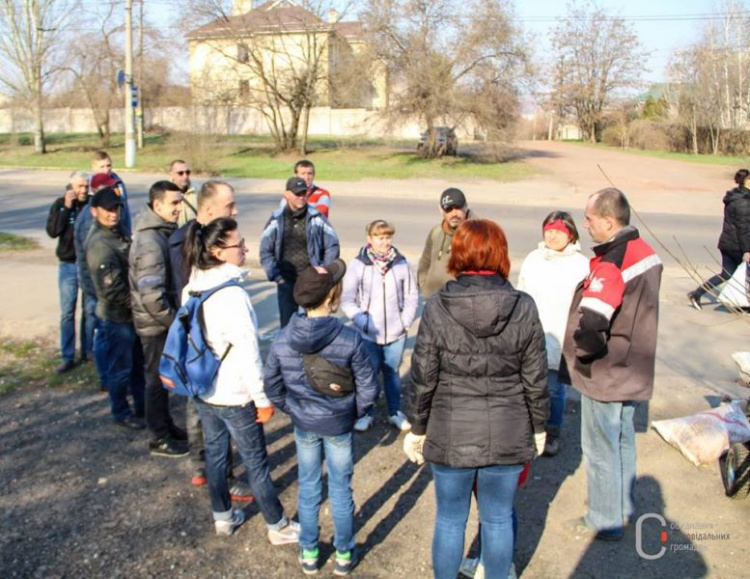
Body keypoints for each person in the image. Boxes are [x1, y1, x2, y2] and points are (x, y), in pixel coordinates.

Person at [404, 219, 549, 579]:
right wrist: (540, 425)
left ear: (459, 254)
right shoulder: (523, 307)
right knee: (498, 519)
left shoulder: (438, 306)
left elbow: (423, 376)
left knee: (450, 520)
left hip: (451, 432)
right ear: (501, 254)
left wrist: (417, 427)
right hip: (508, 429)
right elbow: (535, 377)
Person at [181, 217, 300, 544]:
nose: (246, 248)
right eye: (239, 244)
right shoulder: (232, 295)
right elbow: (248, 353)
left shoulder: (191, 285)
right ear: (219, 251)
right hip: (235, 394)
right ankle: (277, 526)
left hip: (204, 389)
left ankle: (223, 516)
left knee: (216, 456)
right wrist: (262, 399)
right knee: (256, 464)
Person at [264, 260, 378, 576]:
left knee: (310, 486)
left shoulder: (283, 337)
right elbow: (369, 387)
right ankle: (343, 554)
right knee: (341, 488)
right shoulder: (349, 338)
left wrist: (295, 409)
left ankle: (310, 551)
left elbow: (272, 387)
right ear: (331, 299)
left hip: (305, 424)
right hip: (339, 425)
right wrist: (352, 413)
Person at [562, 188, 662, 541]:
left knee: (599, 447)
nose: (585, 224)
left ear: (608, 220)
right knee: (622, 441)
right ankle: (622, 508)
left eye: (589, 218)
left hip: (607, 372)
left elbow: (592, 324)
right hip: (634, 365)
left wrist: (583, 357)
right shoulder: (645, 252)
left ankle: (603, 519)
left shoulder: (612, 263)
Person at [168, 180, 252, 499]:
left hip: (215, 342)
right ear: (207, 210)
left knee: (210, 409)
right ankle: (212, 471)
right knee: (204, 408)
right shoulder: (184, 242)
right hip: (201, 345)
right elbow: (183, 294)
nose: (236, 210)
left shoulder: (217, 238)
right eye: (229, 205)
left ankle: (209, 468)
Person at [517, 211, 589, 456]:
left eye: (558, 231)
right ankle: (530, 430)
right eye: (549, 230)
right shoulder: (534, 258)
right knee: (529, 387)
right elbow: (521, 292)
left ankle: (552, 431)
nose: (553, 235)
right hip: (531, 336)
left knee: (555, 390)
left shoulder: (581, 265)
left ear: (570, 234)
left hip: (563, 337)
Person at [341, 219, 418, 432]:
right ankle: (366, 413)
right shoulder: (358, 265)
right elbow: (347, 299)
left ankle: (395, 412)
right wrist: (362, 321)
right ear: (370, 239)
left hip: (395, 333)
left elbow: (412, 296)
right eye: (380, 238)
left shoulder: (402, 263)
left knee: (392, 372)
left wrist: (405, 322)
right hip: (368, 335)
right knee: (368, 374)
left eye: (387, 237)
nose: (385, 242)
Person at [129, 180, 188, 457]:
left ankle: (166, 426)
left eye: (180, 201)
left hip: (161, 321)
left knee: (163, 380)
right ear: (158, 205)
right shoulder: (151, 241)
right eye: (174, 203)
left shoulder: (162, 232)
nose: (179, 208)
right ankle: (158, 438)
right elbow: (152, 295)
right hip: (155, 325)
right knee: (155, 381)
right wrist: (175, 323)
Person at [85, 187, 146, 430]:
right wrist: (140, 304)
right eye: (108, 210)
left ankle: (142, 406)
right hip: (117, 317)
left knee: (136, 366)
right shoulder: (100, 244)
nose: (113, 213)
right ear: (94, 211)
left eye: (116, 208)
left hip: (130, 315)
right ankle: (121, 411)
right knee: (121, 369)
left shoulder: (116, 233)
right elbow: (113, 290)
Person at [260, 176, 340, 328]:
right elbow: (265, 250)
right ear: (286, 194)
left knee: (315, 326)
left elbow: (332, 245)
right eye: (297, 193)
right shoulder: (276, 220)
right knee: (288, 328)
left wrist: (324, 271)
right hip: (286, 282)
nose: (301, 197)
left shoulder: (317, 218)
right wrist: (276, 276)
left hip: (311, 282)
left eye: (304, 193)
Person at [46, 170, 90, 373]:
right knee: (67, 312)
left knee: (89, 312)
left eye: (86, 186)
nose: (83, 190)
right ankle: (67, 356)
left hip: (88, 265)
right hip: (68, 265)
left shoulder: (91, 205)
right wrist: (66, 207)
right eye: (80, 186)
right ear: (71, 188)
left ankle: (87, 353)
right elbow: (53, 231)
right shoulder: (61, 204)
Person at [687, 169, 750, 309]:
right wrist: (747, 250)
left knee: (726, 274)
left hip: (726, 243)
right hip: (737, 246)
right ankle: (744, 304)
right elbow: (743, 228)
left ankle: (697, 294)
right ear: (747, 182)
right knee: (742, 275)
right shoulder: (744, 202)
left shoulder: (735, 196)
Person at [417, 188, 477, 299]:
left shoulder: (477, 234)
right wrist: (425, 287)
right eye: (448, 209)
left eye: (458, 208)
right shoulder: (436, 232)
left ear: (466, 206)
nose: (454, 214)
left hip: (461, 304)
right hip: (434, 302)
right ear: (441, 210)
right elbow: (424, 263)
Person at [91, 150, 132, 235]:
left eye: (108, 165)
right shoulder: (91, 185)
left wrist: (128, 231)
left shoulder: (118, 183)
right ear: (94, 167)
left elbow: (125, 209)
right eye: (102, 167)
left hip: (120, 229)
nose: (106, 170)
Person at [169, 159, 197, 226]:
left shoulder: (198, 193)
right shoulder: (165, 193)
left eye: (187, 172)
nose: (185, 176)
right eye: (180, 173)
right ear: (171, 175)